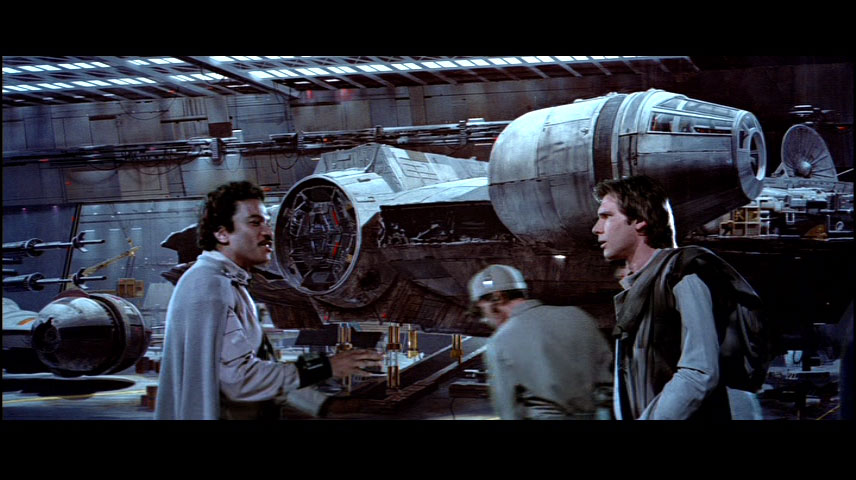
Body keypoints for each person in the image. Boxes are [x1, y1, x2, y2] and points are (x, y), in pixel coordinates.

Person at [155, 181, 381, 420]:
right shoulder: (210, 285)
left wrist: (325, 405)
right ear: (222, 234)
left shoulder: (231, 283)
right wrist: (326, 367)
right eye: (255, 223)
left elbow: (264, 370)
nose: (268, 233)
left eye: (266, 222)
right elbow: (240, 379)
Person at [591, 175, 733, 420]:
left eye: (606, 216)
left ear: (640, 220)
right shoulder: (639, 287)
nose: (596, 228)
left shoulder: (683, 276)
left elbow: (699, 372)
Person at [468, 264, 613, 420]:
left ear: (497, 298)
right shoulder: (578, 316)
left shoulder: (499, 341)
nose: (486, 320)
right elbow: (608, 381)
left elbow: (509, 409)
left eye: (482, 310)